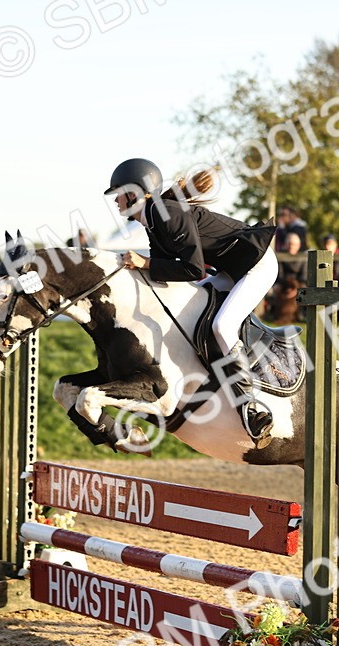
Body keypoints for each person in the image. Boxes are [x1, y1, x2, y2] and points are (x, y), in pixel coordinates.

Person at [105, 158, 278, 447]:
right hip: (230, 270)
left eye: (118, 194)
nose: (116, 201)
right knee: (191, 312)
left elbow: (193, 270)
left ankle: (250, 405)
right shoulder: (153, 219)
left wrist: (145, 263)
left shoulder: (166, 213)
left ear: (133, 193)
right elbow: (165, 270)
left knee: (222, 326)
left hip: (256, 266)